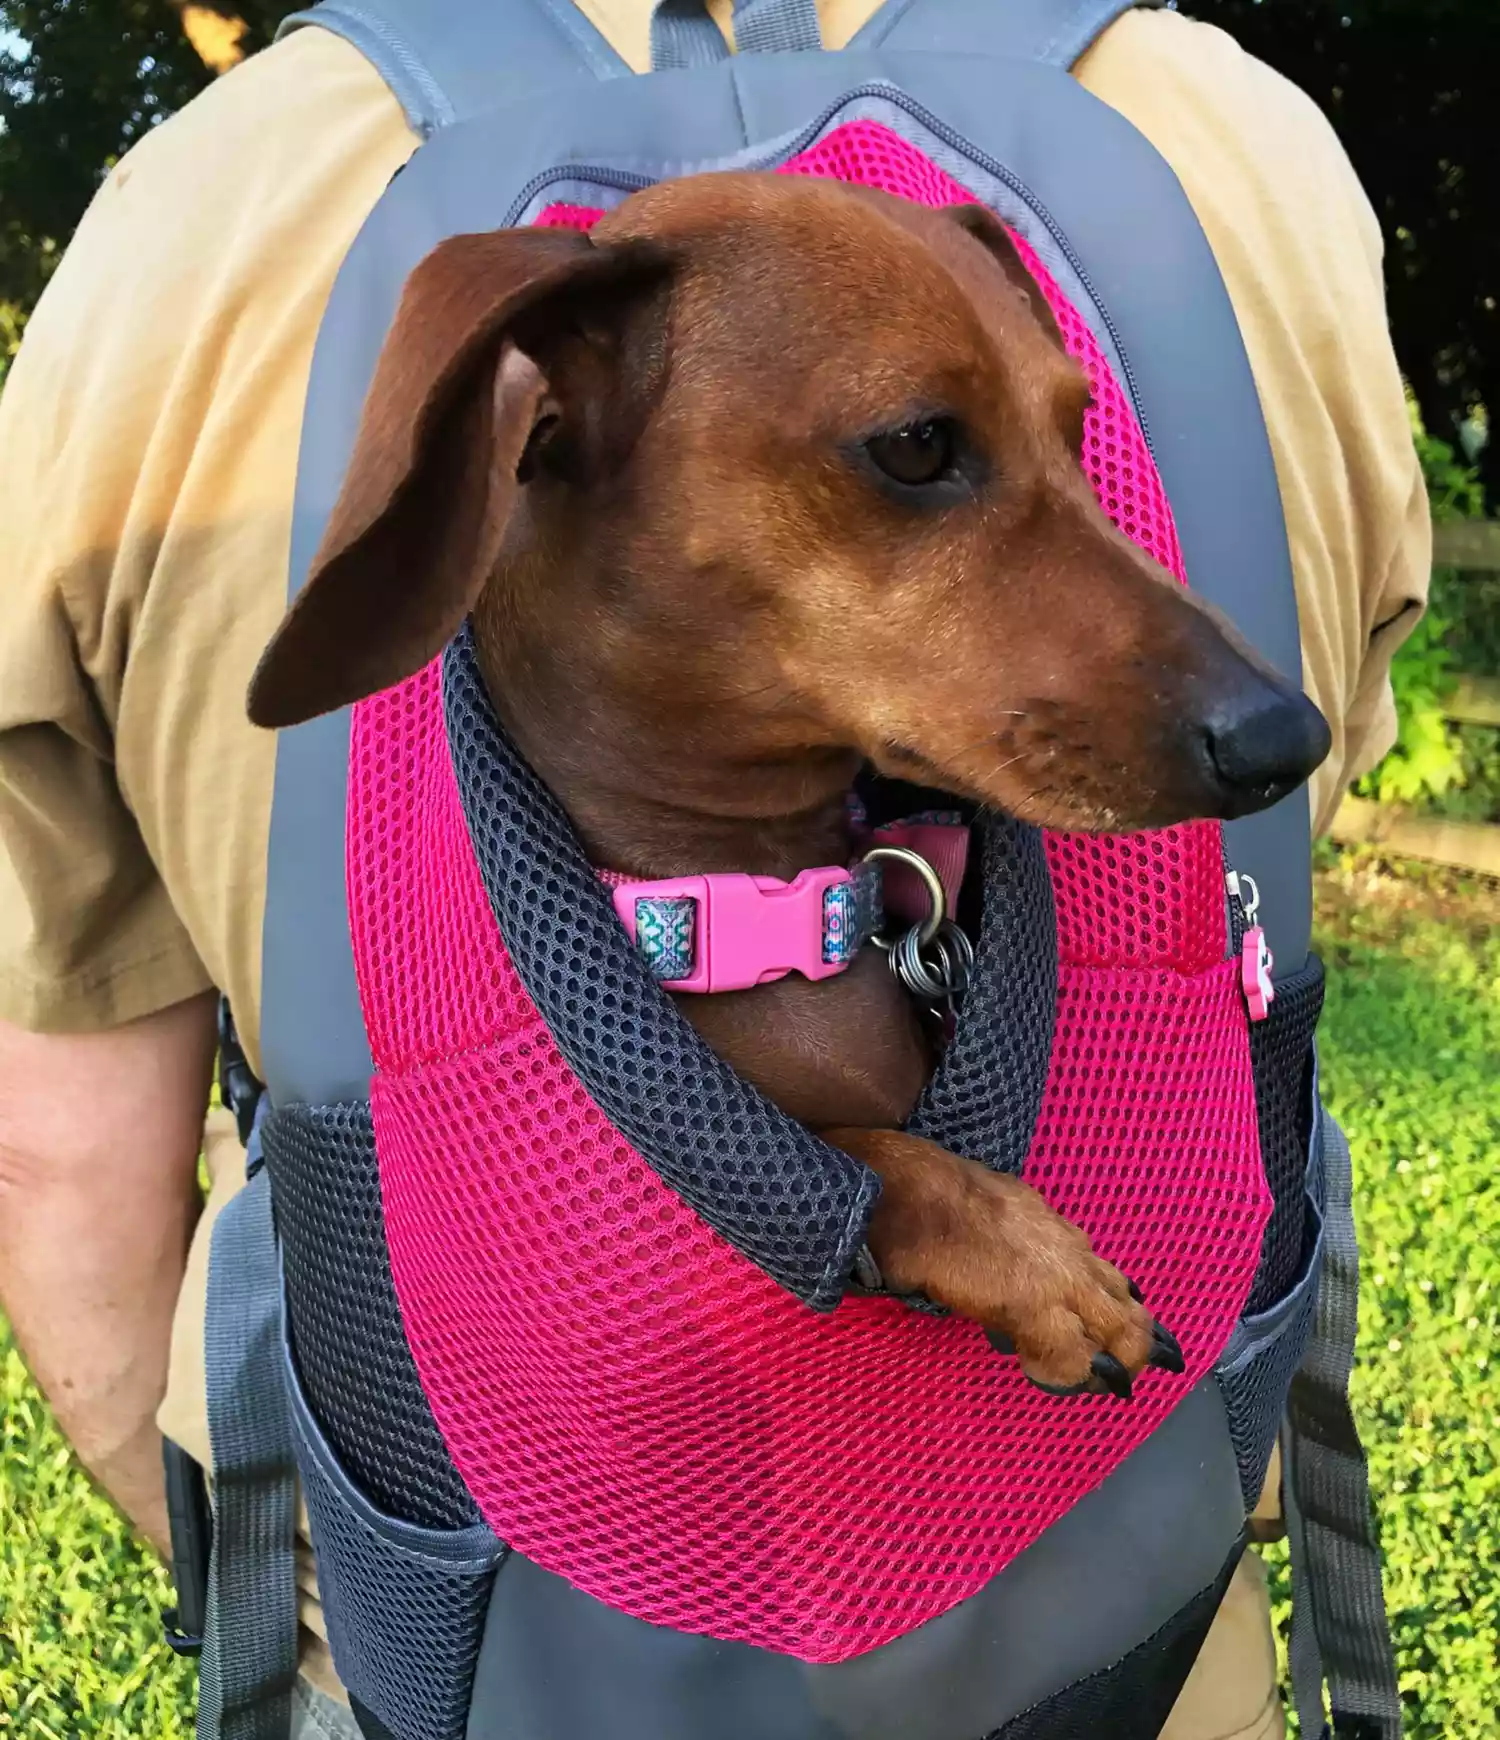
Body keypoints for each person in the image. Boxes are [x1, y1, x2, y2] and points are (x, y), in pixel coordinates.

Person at [0, 3, 1430, 1736]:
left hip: (464, 1637)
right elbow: (1266, 911)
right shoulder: (1232, 144)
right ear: (528, 407)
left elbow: (56, 1156)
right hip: (1125, 1629)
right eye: (919, 456)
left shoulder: (198, 212)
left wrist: (258, 1577)